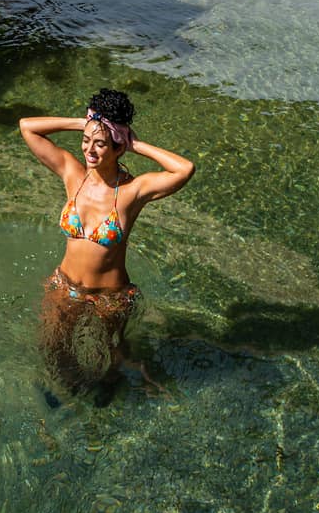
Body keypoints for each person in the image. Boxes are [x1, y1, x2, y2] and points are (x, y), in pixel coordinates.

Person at [18, 88, 195, 400]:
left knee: (108, 355)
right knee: (51, 346)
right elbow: (27, 127)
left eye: (100, 144)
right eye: (86, 142)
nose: (90, 150)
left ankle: (114, 382)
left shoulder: (132, 192)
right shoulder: (73, 175)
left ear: (117, 147)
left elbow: (184, 169)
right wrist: (85, 123)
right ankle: (64, 389)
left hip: (109, 298)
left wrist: (136, 143)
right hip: (64, 287)